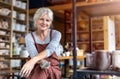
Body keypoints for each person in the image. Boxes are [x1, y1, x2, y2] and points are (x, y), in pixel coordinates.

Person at [20, 7, 62, 79]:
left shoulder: (56, 34)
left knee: (43, 70)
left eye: (47, 20)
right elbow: (34, 55)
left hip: (52, 67)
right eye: (41, 19)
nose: (44, 23)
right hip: (35, 66)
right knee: (40, 70)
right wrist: (40, 62)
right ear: (36, 20)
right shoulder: (29, 37)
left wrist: (31, 61)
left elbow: (50, 50)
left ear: (50, 22)